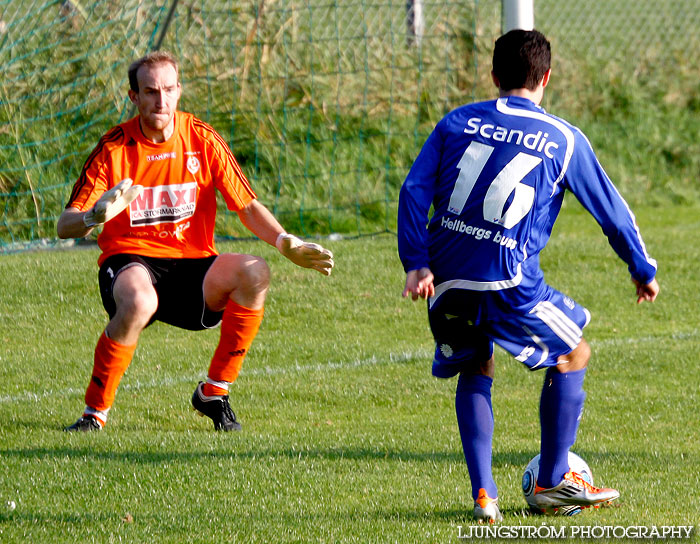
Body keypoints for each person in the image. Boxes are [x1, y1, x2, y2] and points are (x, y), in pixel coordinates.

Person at [397, 29, 659, 522]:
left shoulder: (456, 121)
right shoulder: (563, 138)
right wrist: (641, 268)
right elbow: (613, 214)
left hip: (445, 276)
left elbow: (413, 190)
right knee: (573, 354)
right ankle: (554, 479)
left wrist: (416, 262)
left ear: (494, 76)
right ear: (547, 78)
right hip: (508, 281)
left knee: (476, 366)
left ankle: (484, 497)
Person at [57, 51, 334, 432]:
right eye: (150, 91)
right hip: (130, 263)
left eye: (168, 89)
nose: (161, 100)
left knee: (254, 272)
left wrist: (284, 241)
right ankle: (94, 414)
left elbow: (247, 205)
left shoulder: (201, 138)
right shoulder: (114, 148)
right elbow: (64, 225)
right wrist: (92, 217)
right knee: (140, 300)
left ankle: (214, 393)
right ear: (133, 97)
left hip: (192, 268)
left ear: (179, 91)